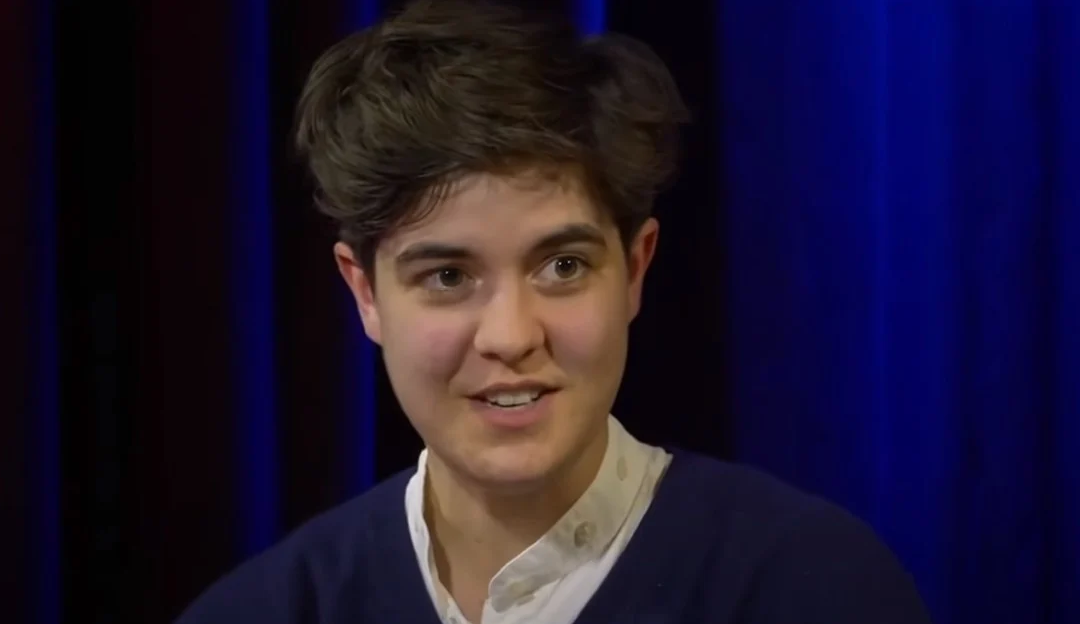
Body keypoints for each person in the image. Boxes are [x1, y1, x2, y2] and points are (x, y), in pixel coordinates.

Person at [176, 1, 933, 622]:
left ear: (635, 269)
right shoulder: (261, 612)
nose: (511, 336)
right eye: (448, 276)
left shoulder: (815, 589)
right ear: (365, 293)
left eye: (562, 267)